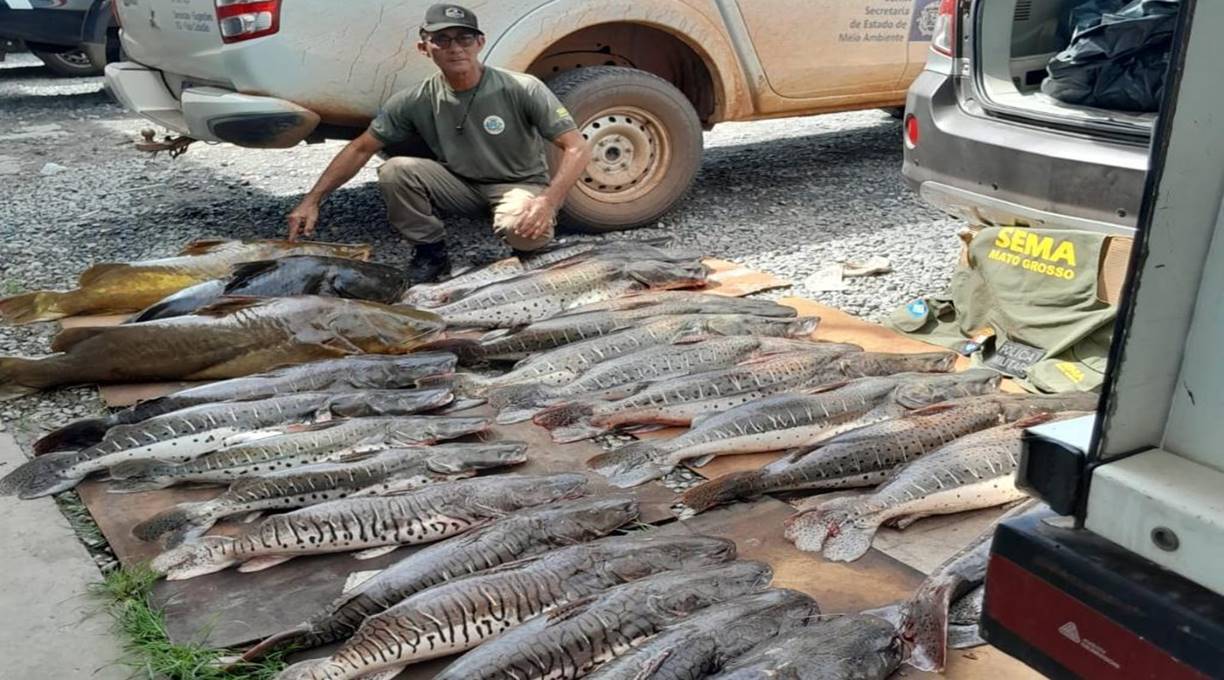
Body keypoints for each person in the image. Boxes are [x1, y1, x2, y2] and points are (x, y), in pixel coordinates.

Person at [285, 3, 592, 282]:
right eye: (442, 39)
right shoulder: (415, 100)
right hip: (460, 184)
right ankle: (431, 253)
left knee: (525, 235)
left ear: (479, 43)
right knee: (396, 170)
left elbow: (577, 147)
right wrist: (312, 200)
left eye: (464, 38)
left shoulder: (522, 88)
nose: (455, 48)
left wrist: (548, 202)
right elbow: (360, 147)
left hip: (518, 183)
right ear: (424, 47)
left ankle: (529, 252)